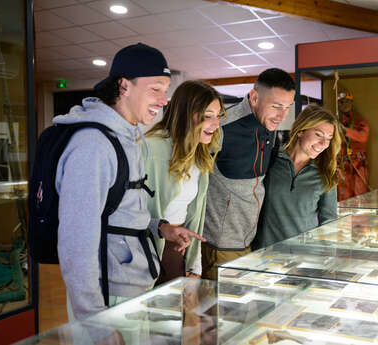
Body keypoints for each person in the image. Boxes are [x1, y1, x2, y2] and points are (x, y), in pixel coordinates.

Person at [54, 43, 205, 325]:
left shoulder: (130, 138)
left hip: (133, 285)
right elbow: (76, 241)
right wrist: (95, 322)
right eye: (155, 89)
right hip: (107, 296)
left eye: (166, 90)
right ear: (124, 86)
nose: (164, 100)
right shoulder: (93, 146)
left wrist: (160, 227)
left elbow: (121, 212)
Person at [201, 68, 295, 280]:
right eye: (276, 106)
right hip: (219, 246)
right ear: (254, 97)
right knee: (220, 311)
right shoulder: (221, 127)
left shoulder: (268, 124)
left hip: (251, 242)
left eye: (287, 107)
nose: (282, 115)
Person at [142, 80, 225, 282]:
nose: (216, 125)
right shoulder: (151, 149)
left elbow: (194, 213)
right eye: (208, 117)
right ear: (185, 115)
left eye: (218, 116)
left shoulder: (199, 154)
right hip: (145, 249)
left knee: (174, 312)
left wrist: (193, 264)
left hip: (177, 249)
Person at [253, 104, 341, 249]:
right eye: (318, 134)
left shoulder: (326, 174)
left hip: (304, 258)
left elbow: (329, 223)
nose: (323, 144)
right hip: (264, 255)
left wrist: (327, 262)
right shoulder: (270, 161)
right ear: (301, 131)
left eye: (329, 138)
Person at [336, 91, 370, 201]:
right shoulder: (336, 123)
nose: (344, 104)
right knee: (343, 196)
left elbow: (363, 137)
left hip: (358, 164)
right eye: (341, 102)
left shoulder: (359, 121)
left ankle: (360, 218)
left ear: (352, 103)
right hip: (342, 165)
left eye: (347, 101)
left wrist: (345, 130)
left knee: (359, 195)